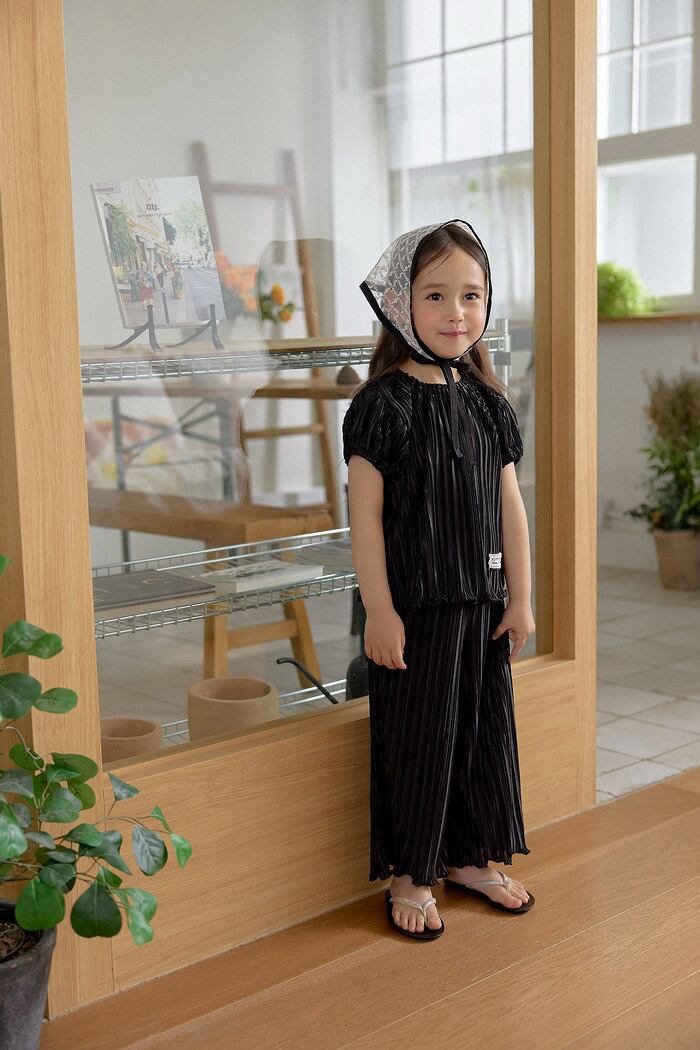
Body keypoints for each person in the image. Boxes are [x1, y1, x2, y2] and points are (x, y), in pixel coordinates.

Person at [342, 219, 536, 941]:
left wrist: (522, 599)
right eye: (435, 295)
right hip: (417, 612)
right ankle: (412, 872)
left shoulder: (488, 402)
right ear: (400, 302)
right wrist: (379, 611)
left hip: (483, 606)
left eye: (471, 295)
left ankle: (469, 858)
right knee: (421, 740)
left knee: (483, 736)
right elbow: (365, 519)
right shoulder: (382, 405)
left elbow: (510, 508)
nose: (457, 312)